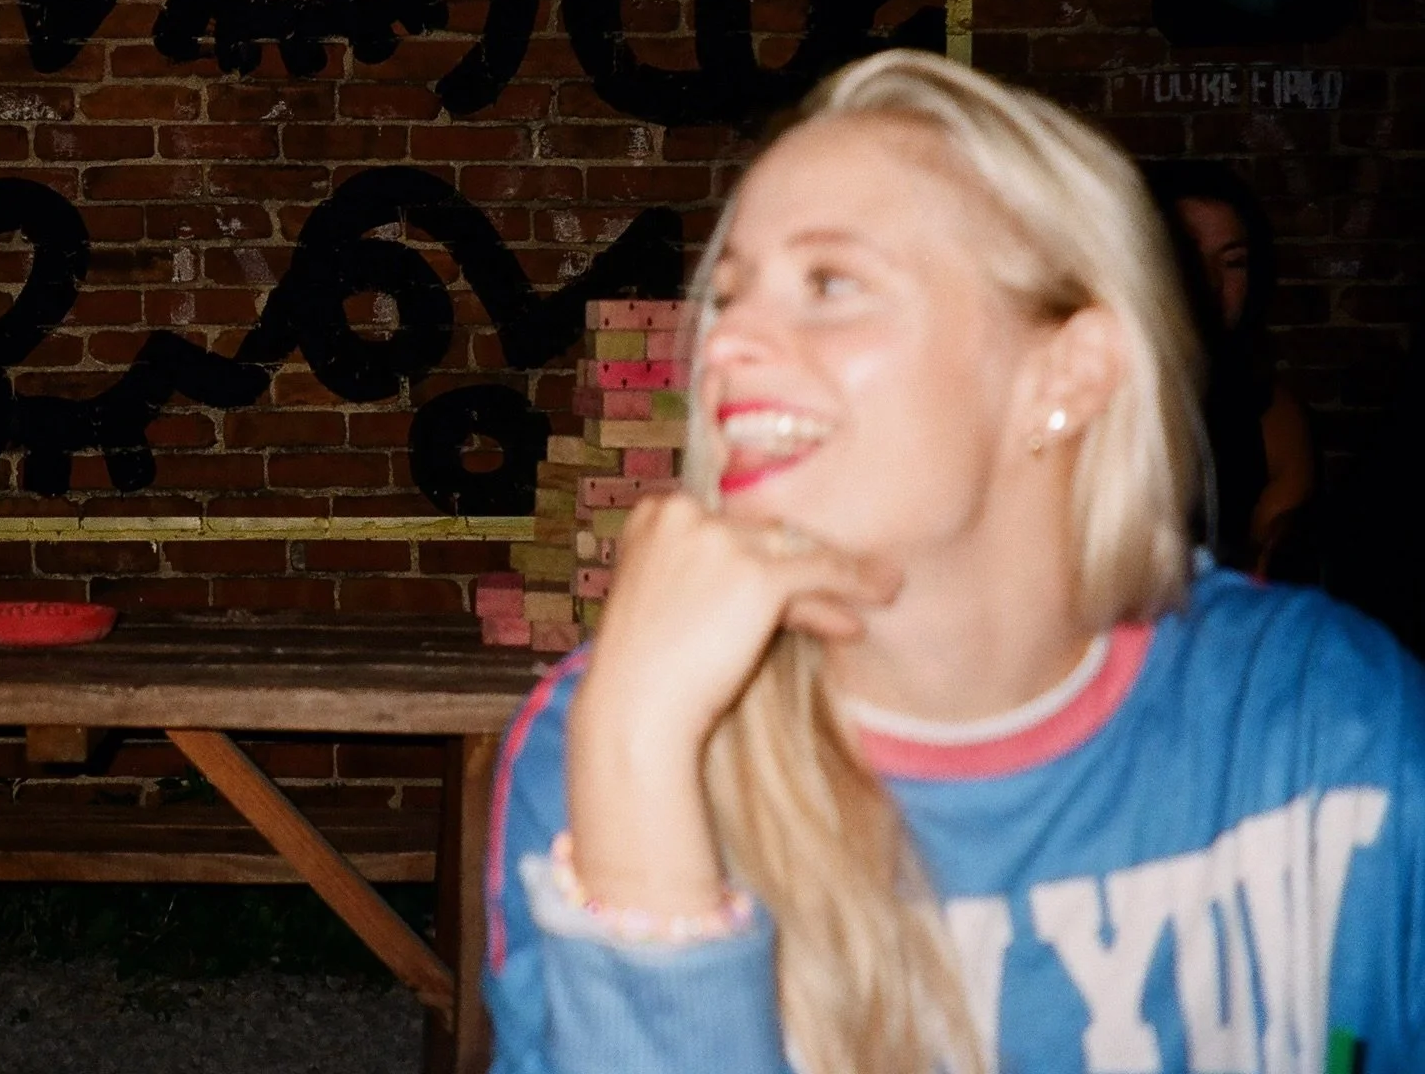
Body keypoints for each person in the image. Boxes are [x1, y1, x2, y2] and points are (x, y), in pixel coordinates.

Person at [487, 52, 1424, 1074]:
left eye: (831, 283)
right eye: (727, 295)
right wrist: (633, 747)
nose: (724, 344)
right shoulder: (615, 726)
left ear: (1068, 372)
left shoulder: (1328, 721)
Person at [1148, 159, 1314, 576]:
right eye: (1187, 257)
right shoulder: (1082, 395)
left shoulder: (1273, 419)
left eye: (1233, 261)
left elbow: (1269, 577)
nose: (1210, 281)